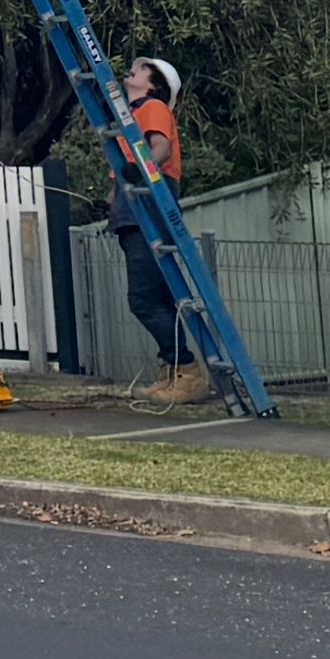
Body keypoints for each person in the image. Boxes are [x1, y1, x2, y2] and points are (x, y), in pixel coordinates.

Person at [109, 54, 207, 402]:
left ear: (154, 84)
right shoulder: (133, 115)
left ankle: (186, 369)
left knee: (144, 299)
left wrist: (142, 168)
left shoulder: (152, 106)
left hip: (149, 202)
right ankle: (174, 371)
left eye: (139, 69)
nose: (131, 71)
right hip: (135, 204)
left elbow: (161, 149)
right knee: (159, 297)